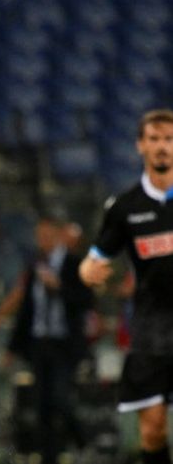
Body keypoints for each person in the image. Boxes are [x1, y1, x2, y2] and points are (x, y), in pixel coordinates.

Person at [79, 109, 173, 464]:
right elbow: (96, 257)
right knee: (152, 429)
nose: (162, 147)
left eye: (168, 139)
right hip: (150, 329)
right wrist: (89, 271)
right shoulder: (124, 208)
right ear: (141, 146)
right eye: (154, 139)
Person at [0, 215, 94, 463]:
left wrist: (59, 288)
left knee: (60, 399)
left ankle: (83, 442)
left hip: (64, 344)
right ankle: (48, 457)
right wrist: (12, 349)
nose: (42, 241)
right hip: (39, 344)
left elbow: (86, 301)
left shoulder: (74, 264)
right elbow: (25, 313)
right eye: (39, 236)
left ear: (57, 235)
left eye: (46, 236)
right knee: (41, 406)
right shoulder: (35, 268)